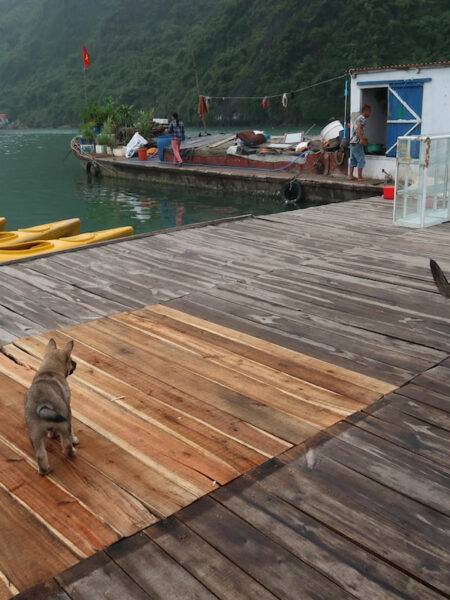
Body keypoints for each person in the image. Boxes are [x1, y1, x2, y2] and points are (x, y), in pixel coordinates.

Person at [349, 104, 371, 181]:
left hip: (352, 141)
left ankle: (351, 176)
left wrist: (362, 138)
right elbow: (358, 129)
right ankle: (360, 177)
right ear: (366, 111)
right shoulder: (362, 118)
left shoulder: (358, 118)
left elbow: (355, 130)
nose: (370, 114)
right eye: (369, 112)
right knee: (361, 159)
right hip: (357, 141)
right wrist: (361, 139)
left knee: (353, 159)